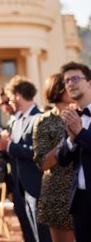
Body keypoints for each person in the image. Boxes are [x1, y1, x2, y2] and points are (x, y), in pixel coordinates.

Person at [0, 76, 49, 242]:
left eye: (10, 97)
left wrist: (7, 146)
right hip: (20, 187)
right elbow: (13, 152)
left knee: (43, 235)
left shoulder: (39, 118)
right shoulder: (19, 121)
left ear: (18, 95)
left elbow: (38, 153)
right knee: (29, 233)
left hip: (36, 185)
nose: (8, 102)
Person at [32, 74, 75, 242]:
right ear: (57, 89)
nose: (72, 86)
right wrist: (67, 142)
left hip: (84, 190)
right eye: (67, 83)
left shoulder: (85, 114)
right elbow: (42, 163)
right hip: (57, 193)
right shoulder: (43, 121)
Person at [56, 61, 91, 241]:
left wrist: (80, 134)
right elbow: (61, 159)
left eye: (75, 78)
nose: (70, 83)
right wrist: (70, 139)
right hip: (80, 202)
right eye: (67, 81)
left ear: (89, 82)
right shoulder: (72, 116)